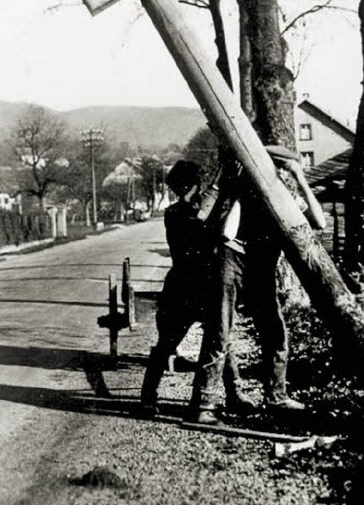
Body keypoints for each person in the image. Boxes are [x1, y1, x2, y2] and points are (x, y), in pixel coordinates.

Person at [190, 146, 326, 424]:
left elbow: (320, 221)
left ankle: (277, 397)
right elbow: (220, 227)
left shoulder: (285, 196)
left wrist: (300, 179)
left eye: (281, 170)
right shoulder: (241, 188)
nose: (276, 175)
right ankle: (203, 405)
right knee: (219, 330)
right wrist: (236, 187)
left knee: (275, 333)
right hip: (232, 257)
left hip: (262, 266)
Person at [139, 160, 252, 417]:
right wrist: (224, 183)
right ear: (194, 185)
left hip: (193, 285)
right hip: (188, 286)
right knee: (171, 344)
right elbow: (208, 222)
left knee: (219, 340)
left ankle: (234, 394)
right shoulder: (179, 214)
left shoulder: (180, 211)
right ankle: (148, 398)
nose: (192, 190)